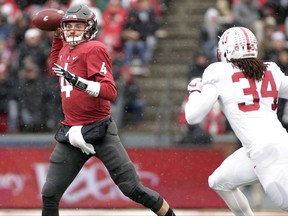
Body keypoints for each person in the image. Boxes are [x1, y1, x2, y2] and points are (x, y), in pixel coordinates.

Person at [41, 4, 176, 216]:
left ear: (90, 27)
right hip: (71, 131)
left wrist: (79, 82)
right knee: (49, 193)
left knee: (132, 189)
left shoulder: (94, 48)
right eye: (69, 26)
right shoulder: (67, 48)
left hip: (99, 129)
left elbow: (110, 91)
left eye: (78, 26)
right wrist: (57, 39)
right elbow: (55, 67)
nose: (73, 30)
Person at [185, 26, 288, 215]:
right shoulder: (271, 69)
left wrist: (194, 91)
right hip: (269, 146)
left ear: (226, 50)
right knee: (219, 181)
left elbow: (192, 116)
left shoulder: (218, 71)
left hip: (265, 151)